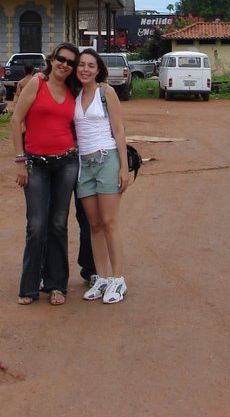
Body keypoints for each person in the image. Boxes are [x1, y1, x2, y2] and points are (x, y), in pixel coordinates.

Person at [10, 43, 80, 306]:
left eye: (70, 62)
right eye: (61, 59)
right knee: (36, 225)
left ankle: (56, 285)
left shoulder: (74, 90)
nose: (65, 64)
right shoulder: (37, 83)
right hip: (35, 164)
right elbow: (16, 120)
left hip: (66, 163)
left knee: (58, 225)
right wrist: (20, 160)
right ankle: (29, 287)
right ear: (52, 59)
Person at [73, 48, 132, 304]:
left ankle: (118, 279)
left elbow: (119, 131)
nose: (85, 69)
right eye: (82, 65)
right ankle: (102, 277)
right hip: (84, 166)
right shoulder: (74, 95)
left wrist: (123, 167)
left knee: (109, 222)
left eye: (90, 66)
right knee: (94, 225)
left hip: (107, 159)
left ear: (98, 70)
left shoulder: (106, 93)